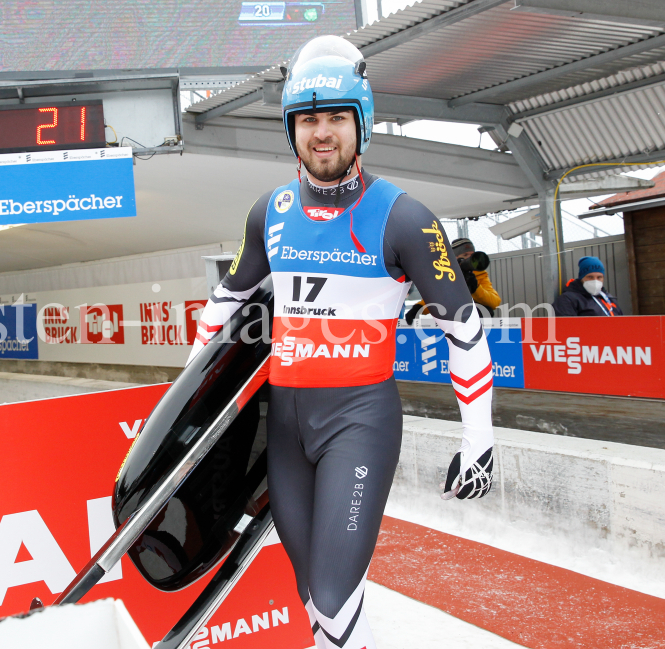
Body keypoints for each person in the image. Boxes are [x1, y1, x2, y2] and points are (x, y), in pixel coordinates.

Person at [186, 36, 494, 649]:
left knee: (331, 595)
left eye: (334, 118)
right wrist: (186, 403)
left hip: (359, 420)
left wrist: (479, 441)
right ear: (290, 129)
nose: (320, 133)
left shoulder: (405, 218)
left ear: (363, 123)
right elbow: (224, 305)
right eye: (307, 119)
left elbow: (466, 329)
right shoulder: (267, 212)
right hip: (288, 427)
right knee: (317, 598)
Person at [404, 236, 500, 323]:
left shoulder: (480, 274)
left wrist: (476, 289)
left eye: (472, 255)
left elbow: (494, 302)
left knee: (486, 310)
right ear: (454, 258)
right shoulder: (446, 273)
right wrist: (418, 308)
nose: (469, 259)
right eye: (465, 255)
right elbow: (438, 296)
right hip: (452, 316)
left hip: (475, 318)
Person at [553, 256, 623, 316]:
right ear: (581, 278)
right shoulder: (568, 299)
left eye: (599, 277)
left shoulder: (607, 297)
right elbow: (566, 327)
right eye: (590, 277)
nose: (595, 281)